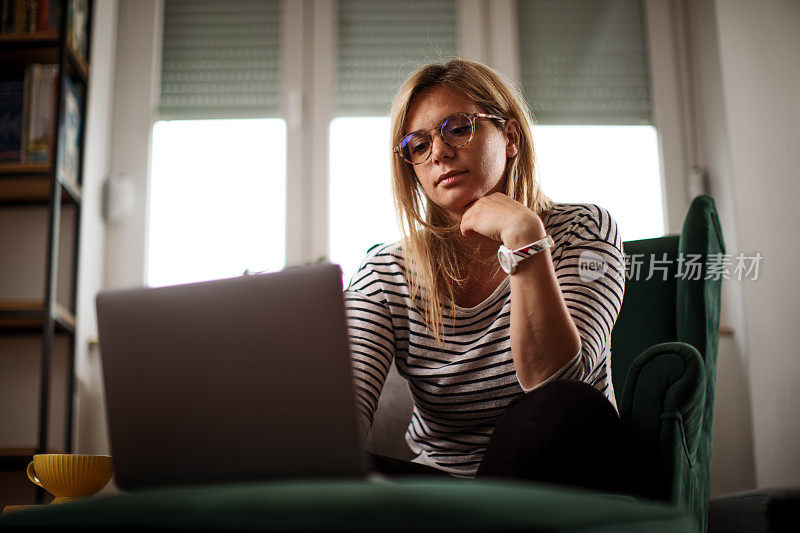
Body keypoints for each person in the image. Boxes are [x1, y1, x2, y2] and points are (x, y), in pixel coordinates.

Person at [345, 59, 628, 493]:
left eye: (457, 127)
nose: (438, 152)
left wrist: (525, 240)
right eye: (418, 146)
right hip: (443, 495)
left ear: (510, 136)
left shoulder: (584, 229)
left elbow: (556, 384)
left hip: (563, 489)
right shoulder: (386, 273)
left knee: (564, 408)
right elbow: (341, 424)